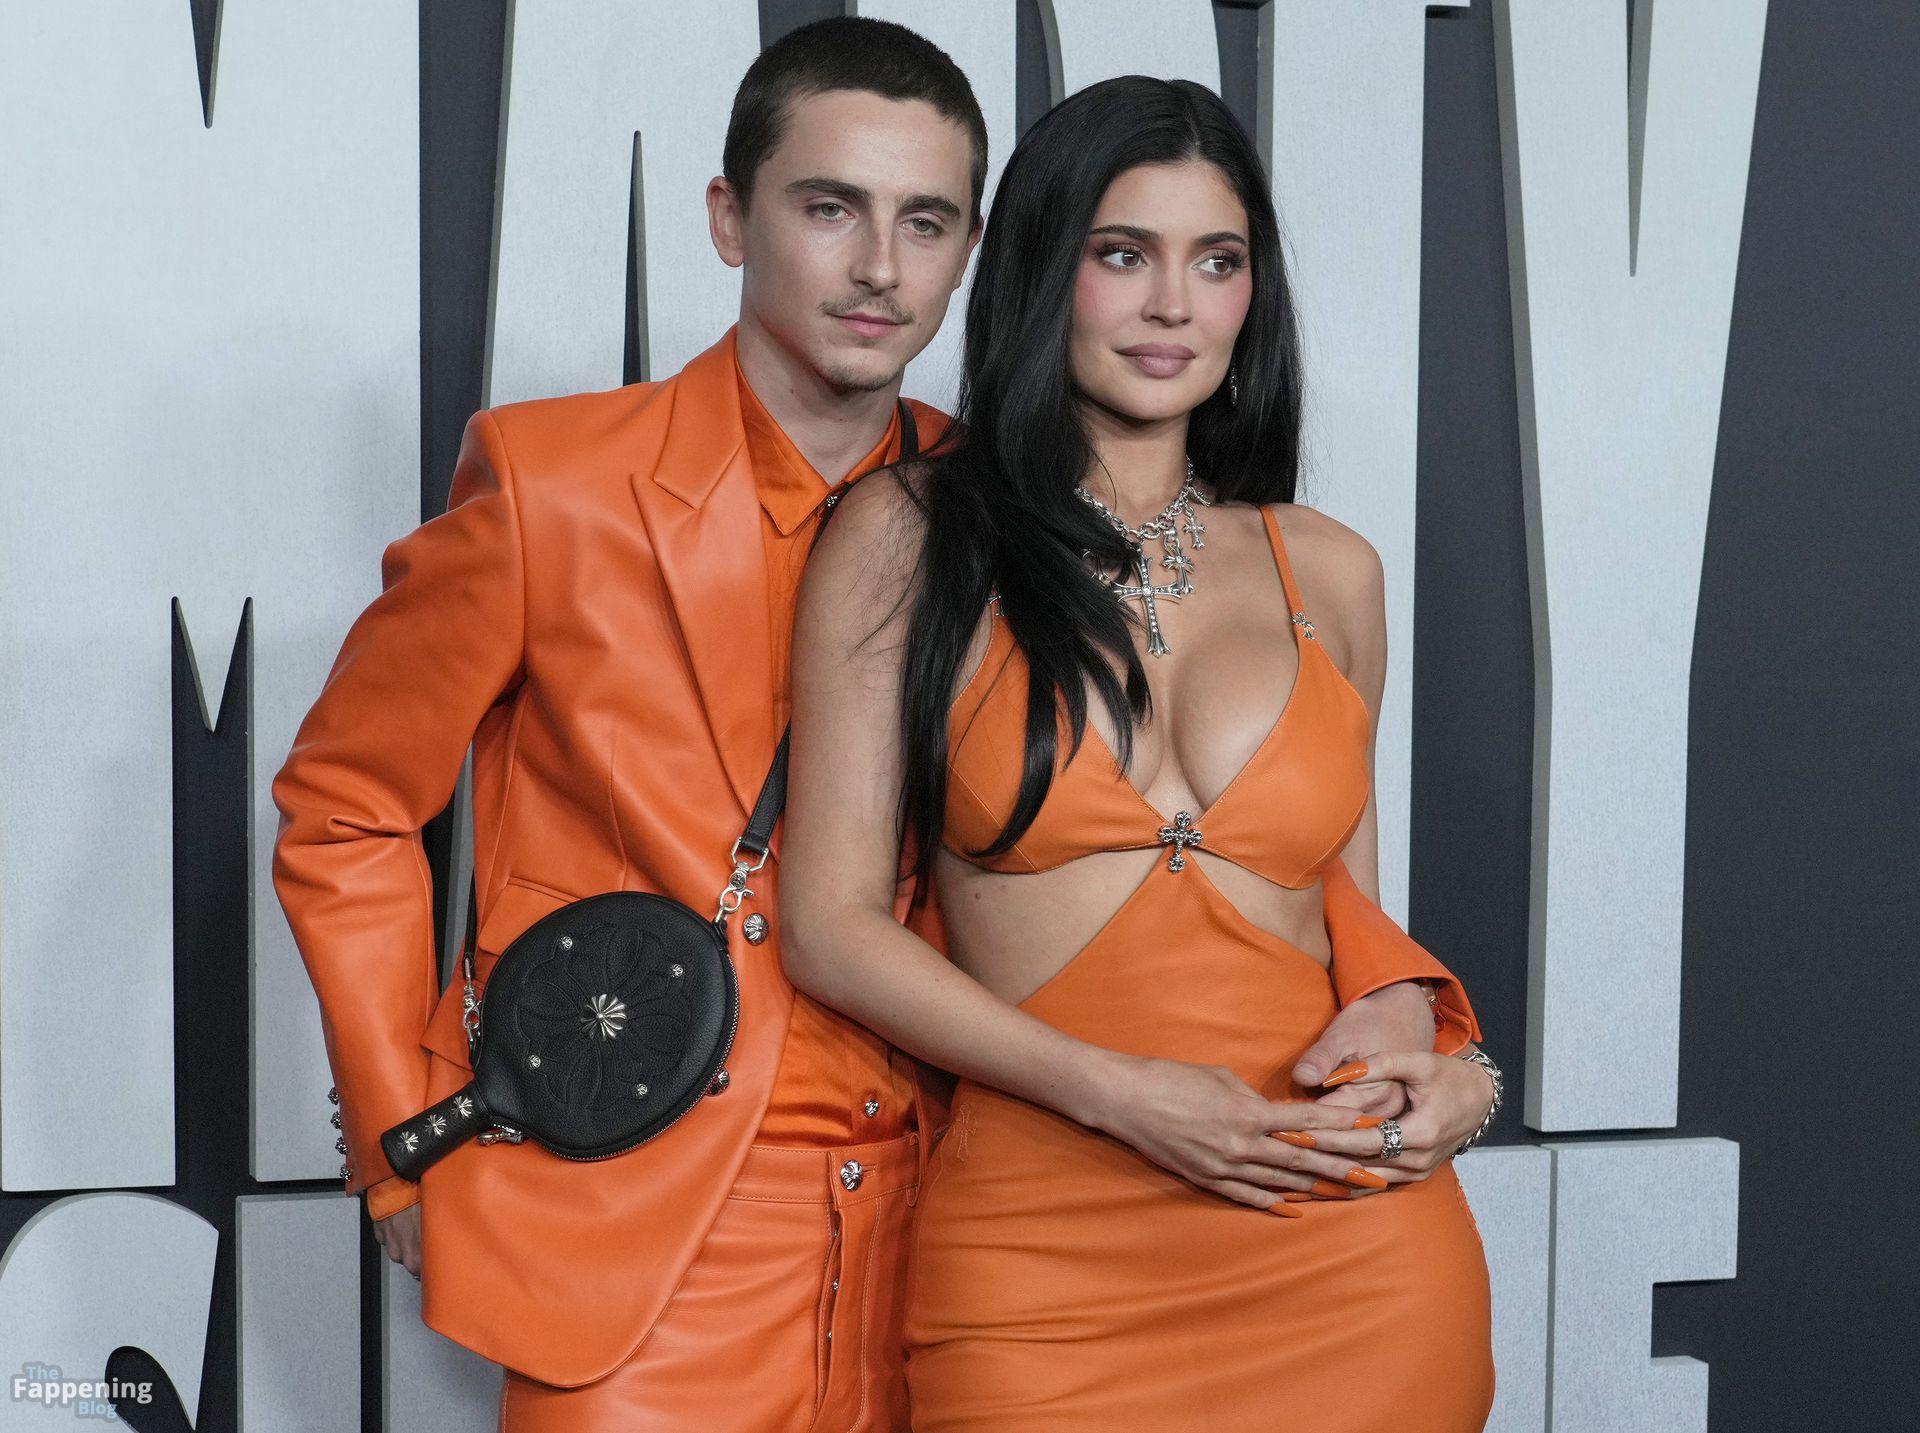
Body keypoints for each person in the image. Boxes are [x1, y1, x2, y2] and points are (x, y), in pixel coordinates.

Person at [273, 18, 983, 1431]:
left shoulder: (998, 515)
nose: (880, 268)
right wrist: (399, 1139)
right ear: (727, 218)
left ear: (969, 249)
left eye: (926, 222)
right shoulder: (554, 485)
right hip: (646, 1240)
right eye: (829, 207)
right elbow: (345, 804)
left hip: (958, 1235)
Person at [778, 75, 1499, 1429]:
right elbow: (827, 926)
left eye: (1217, 261)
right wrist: (1120, 1095)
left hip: (1345, 1243)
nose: (1175, 304)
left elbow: (1347, 910)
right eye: (1124, 254)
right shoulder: (908, 538)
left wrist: (1443, 1060)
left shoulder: (1330, 569)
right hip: (1046, 1252)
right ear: (1043, 269)